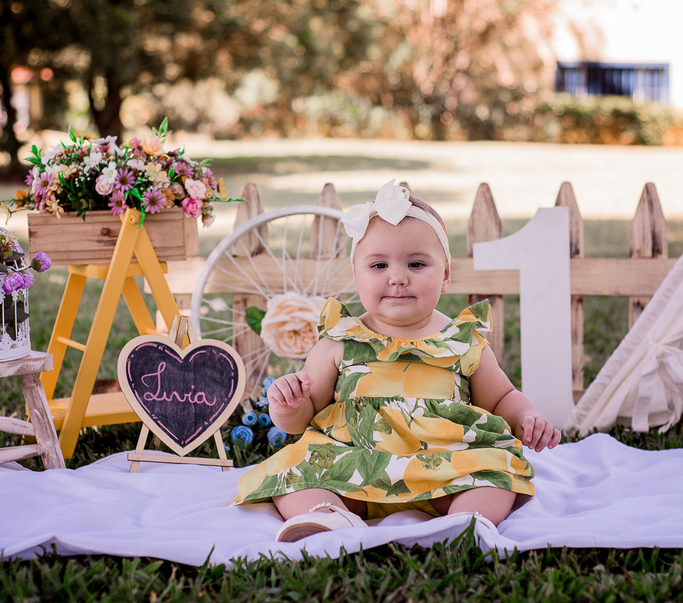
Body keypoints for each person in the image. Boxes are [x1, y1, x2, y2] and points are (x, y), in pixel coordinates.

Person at [232, 180, 562, 542]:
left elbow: (500, 398)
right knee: (295, 469)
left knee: (496, 469)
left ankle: (467, 518)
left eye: (417, 263)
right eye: (378, 265)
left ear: (446, 275)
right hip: (352, 463)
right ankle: (328, 515)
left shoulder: (462, 341)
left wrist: (525, 416)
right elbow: (303, 417)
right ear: (357, 277)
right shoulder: (340, 341)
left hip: (443, 464)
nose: (398, 277)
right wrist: (287, 404)